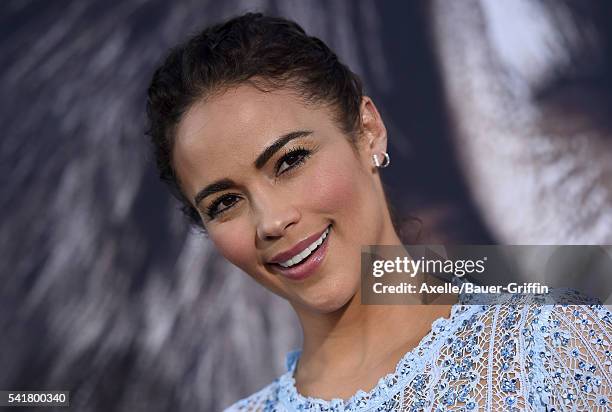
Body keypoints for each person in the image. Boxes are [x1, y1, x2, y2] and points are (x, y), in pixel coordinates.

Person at [145, 12, 611, 411]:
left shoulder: (558, 348)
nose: (270, 221)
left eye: (290, 161)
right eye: (224, 203)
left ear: (368, 131)